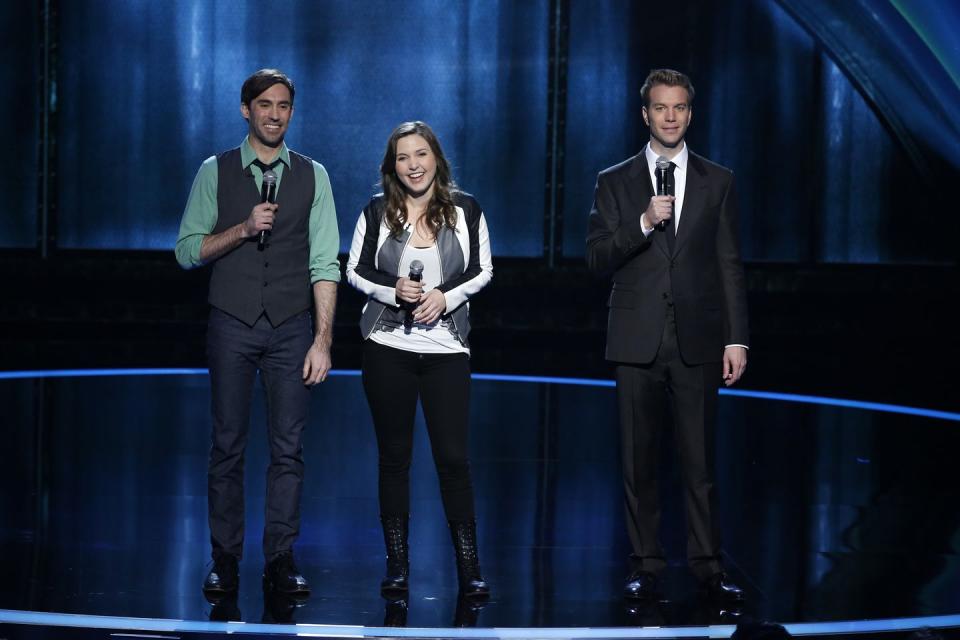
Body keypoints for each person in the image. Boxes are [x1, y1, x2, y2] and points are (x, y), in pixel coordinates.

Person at [175, 68, 340, 599]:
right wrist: (243, 230)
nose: (274, 114)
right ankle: (224, 557)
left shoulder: (313, 175)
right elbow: (186, 251)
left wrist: (323, 340)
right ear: (245, 109)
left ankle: (280, 558)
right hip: (231, 322)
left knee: (288, 449)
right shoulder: (215, 171)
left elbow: (324, 264)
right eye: (265, 104)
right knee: (227, 445)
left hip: (292, 327)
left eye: (284, 105)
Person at [586, 69, 749, 601]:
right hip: (636, 338)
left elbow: (729, 265)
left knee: (700, 462)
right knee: (639, 462)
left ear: (690, 113)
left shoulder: (717, 180)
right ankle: (645, 564)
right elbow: (597, 257)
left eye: (679, 107)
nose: (671, 117)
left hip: (698, 339)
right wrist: (640, 223)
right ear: (645, 114)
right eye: (661, 108)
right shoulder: (615, 181)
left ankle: (708, 566)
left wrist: (736, 338)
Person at [346, 121, 493, 598]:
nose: (413, 164)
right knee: (394, 458)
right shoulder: (376, 212)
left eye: (421, 154)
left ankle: (469, 569)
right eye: (404, 157)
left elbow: (482, 270)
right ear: (393, 166)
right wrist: (393, 291)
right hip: (388, 349)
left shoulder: (465, 210)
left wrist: (444, 298)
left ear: (436, 158)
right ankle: (398, 566)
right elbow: (353, 269)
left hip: (447, 350)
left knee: (453, 459)